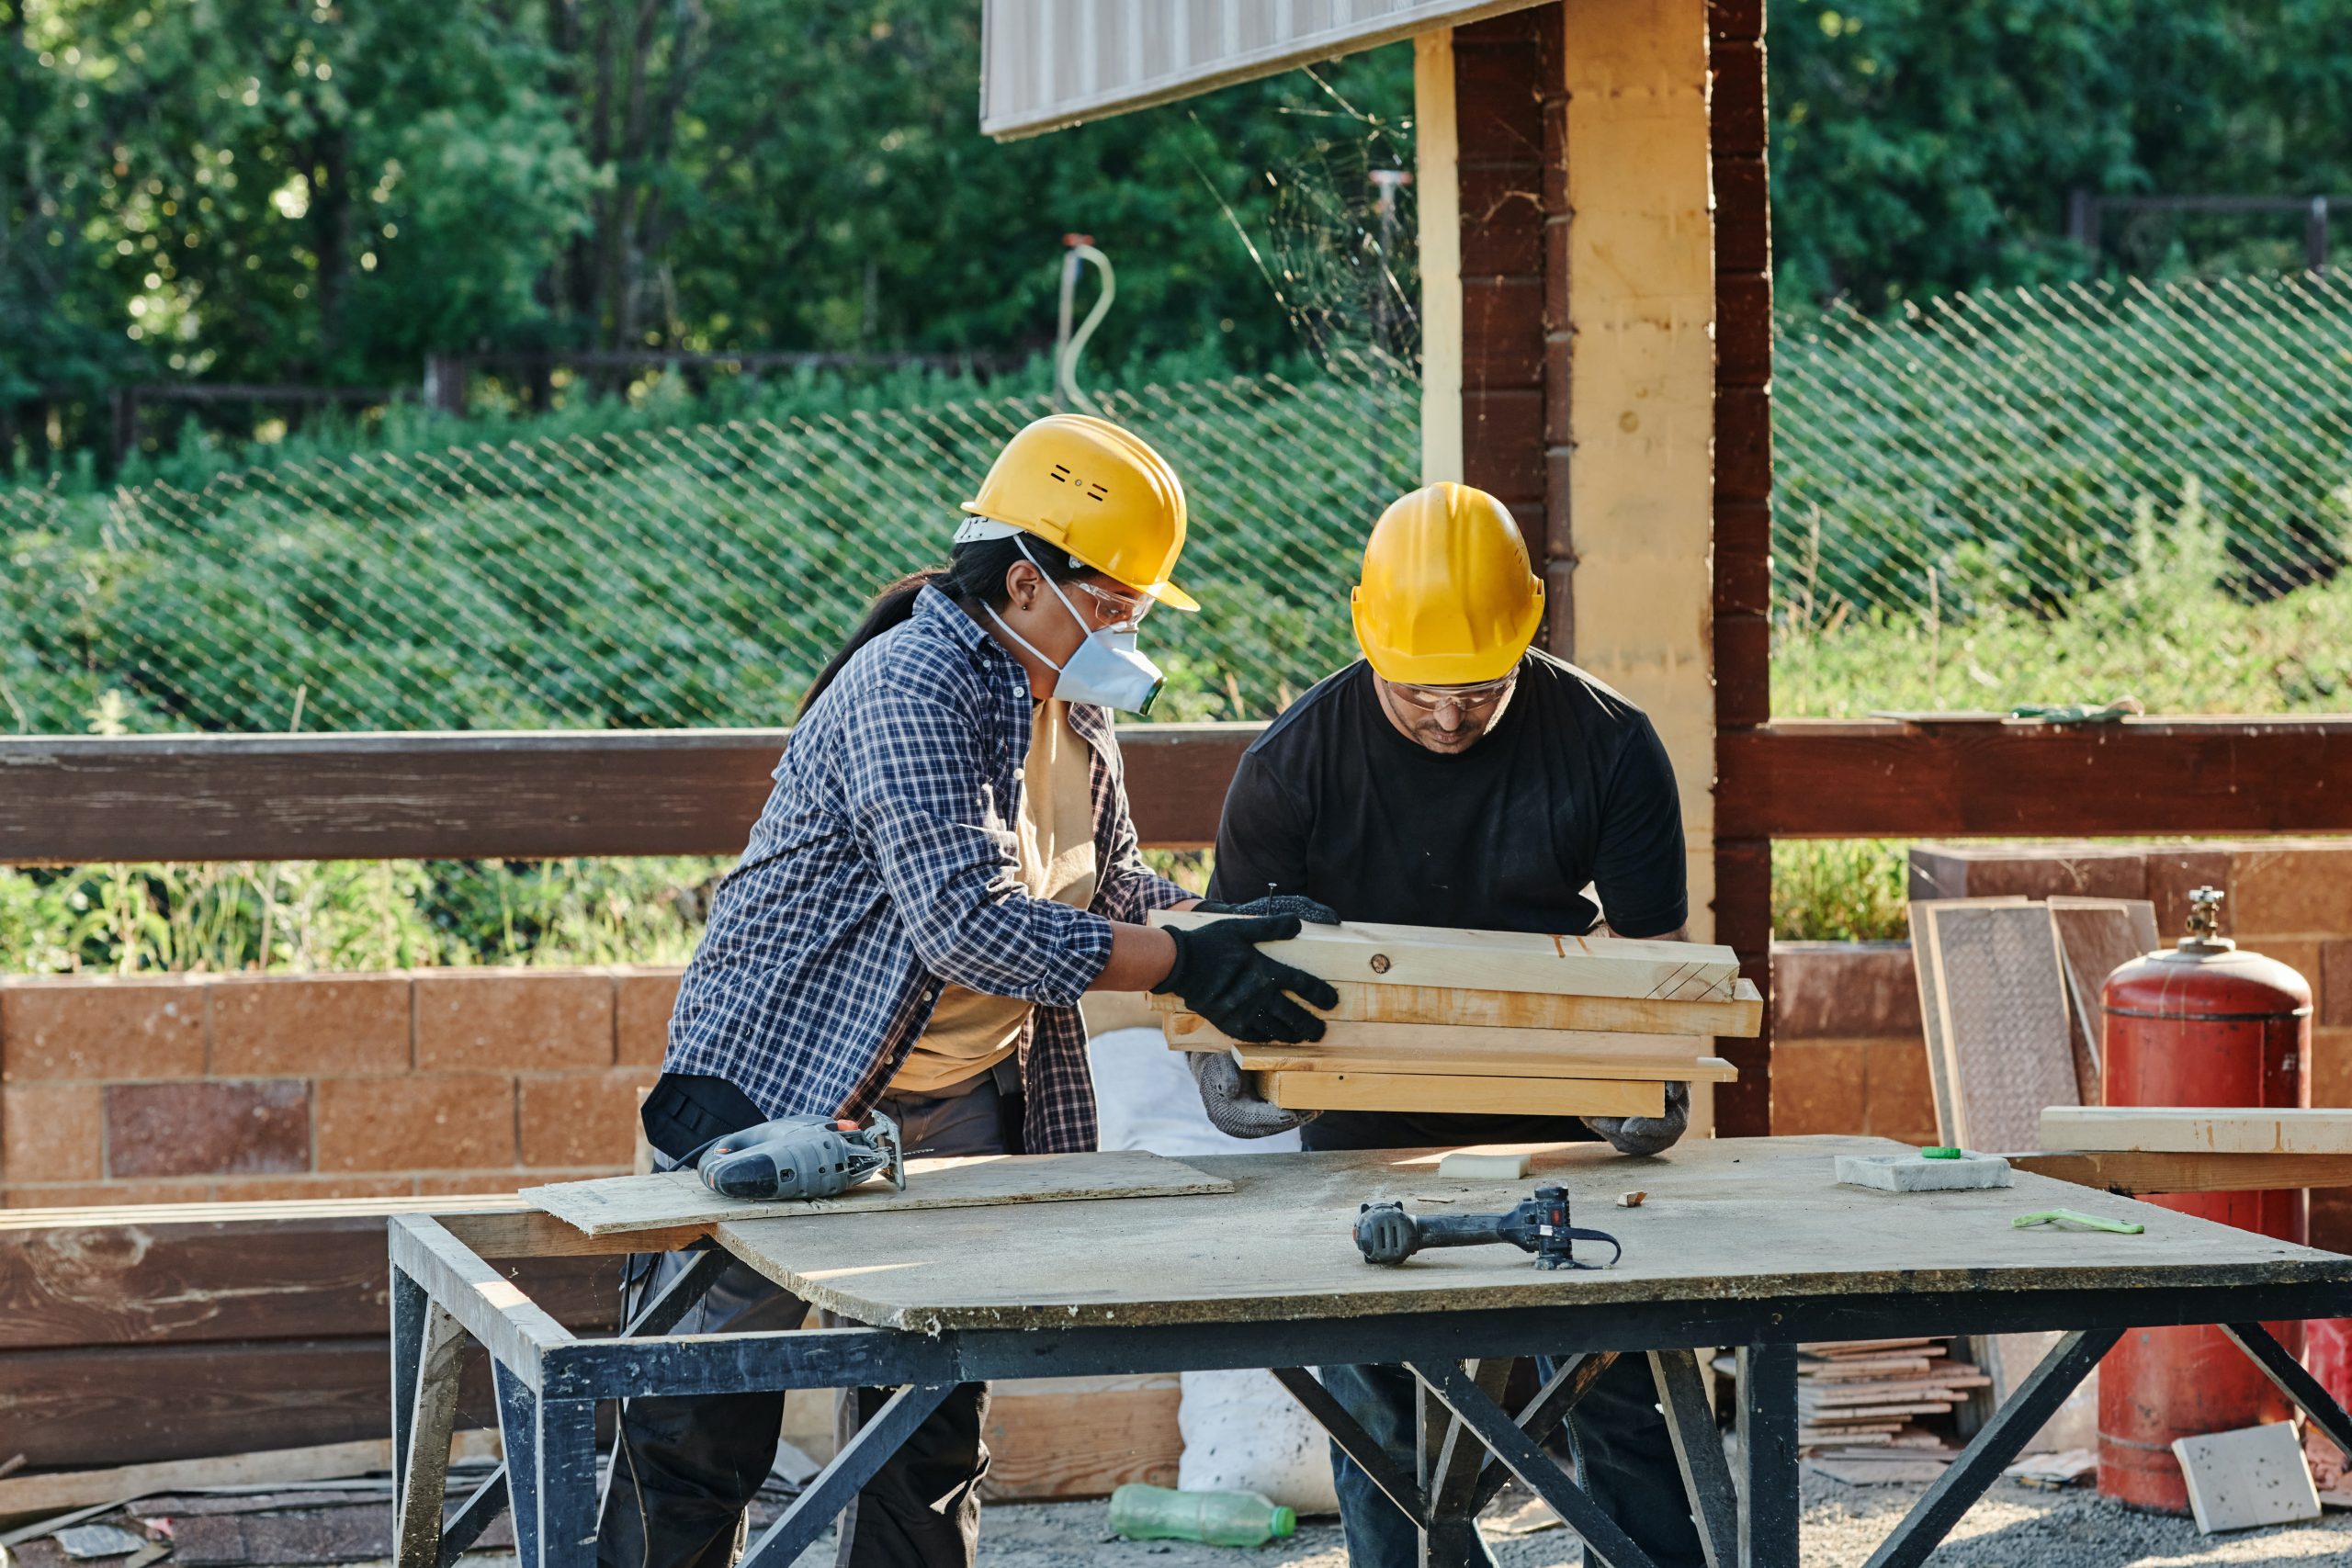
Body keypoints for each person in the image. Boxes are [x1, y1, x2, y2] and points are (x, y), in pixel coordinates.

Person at [597, 413, 1335, 1568]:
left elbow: (1117, 881)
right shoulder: (914, 682)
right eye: (1118, 601)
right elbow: (968, 923)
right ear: (1031, 580)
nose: (1129, 627)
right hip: (776, 1084)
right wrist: (1188, 968)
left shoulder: (1071, 703)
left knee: (930, 1421)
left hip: (960, 1095)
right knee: (699, 1417)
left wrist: (1221, 928)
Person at [1191, 481, 1704, 1568]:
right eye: (1416, 689)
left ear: (1528, 630)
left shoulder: (1609, 744)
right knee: (1384, 1410)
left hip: (1562, 1107)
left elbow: (1661, 968)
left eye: (1476, 688)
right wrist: (1241, 1050)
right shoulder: (1291, 768)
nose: (1445, 716)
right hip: (1361, 1114)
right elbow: (1224, 991)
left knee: (1625, 1382)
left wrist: (1642, 1087)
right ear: (1366, 634)